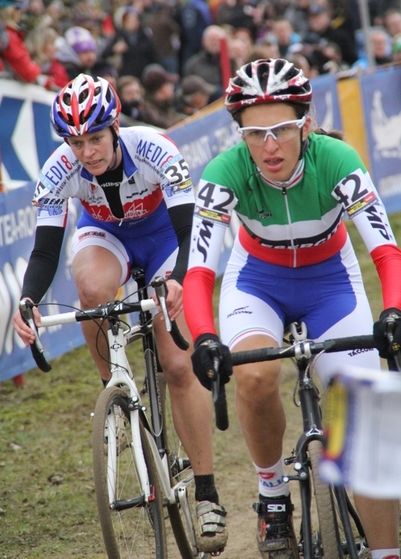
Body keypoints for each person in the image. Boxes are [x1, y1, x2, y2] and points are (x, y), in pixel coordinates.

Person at [183, 58, 401, 559]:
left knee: (361, 415)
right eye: (255, 134)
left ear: (305, 123)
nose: (270, 145)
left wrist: (391, 311)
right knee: (256, 377)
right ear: (239, 134)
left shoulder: (337, 158)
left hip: (331, 281)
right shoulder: (224, 173)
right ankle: (273, 494)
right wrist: (204, 336)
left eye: (282, 129)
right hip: (258, 280)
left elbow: (386, 252)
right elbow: (198, 273)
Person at [12, 73, 228, 555]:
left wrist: (177, 280)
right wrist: (28, 298)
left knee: (176, 364)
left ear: (114, 128)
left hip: (166, 238)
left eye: (94, 138)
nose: (85, 151)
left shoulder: (155, 148)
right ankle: (117, 394)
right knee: (90, 286)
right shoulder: (58, 169)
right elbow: (45, 253)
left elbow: (189, 228)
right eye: (75, 141)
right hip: (106, 237)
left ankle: (209, 494)